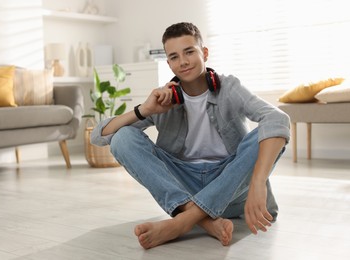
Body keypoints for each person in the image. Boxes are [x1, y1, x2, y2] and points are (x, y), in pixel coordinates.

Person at [91, 22, 290, 249]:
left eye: (189, 52)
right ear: (169, 64)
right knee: (123, 137)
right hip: (186, 189)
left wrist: (257, 183)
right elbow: (99, 136)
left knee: (262, 136)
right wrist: (144, 110)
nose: (183, 62)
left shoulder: (229, 87)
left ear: (204, 53)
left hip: (233, 189)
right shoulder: (162, 99)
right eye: (174, 57)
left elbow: (278, 119)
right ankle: (202, 220)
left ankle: (182, 222)